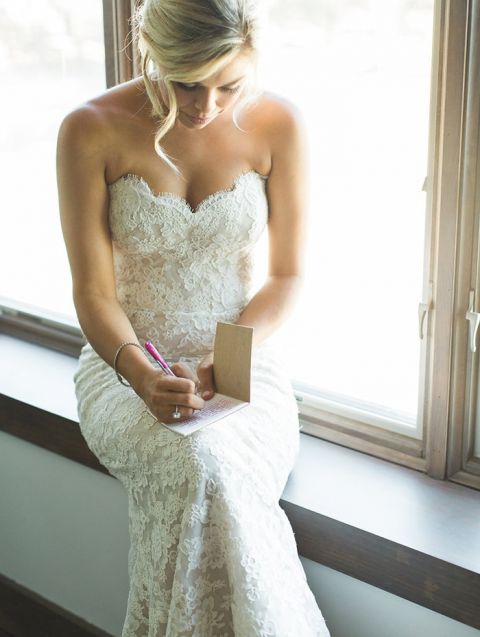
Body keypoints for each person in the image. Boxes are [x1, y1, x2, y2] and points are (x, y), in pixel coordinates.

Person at [56, 0, 331, 635]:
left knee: (213, 467)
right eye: (185, 83)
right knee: (192, 466)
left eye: (229, 84)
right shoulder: (88, 128)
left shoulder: (280, 125)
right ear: (153, 54)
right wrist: (141, 375)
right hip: (121, 357)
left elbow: (287, 277)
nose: (205, 106)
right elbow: (93, 294)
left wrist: (226, 358)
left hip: (242, 359)